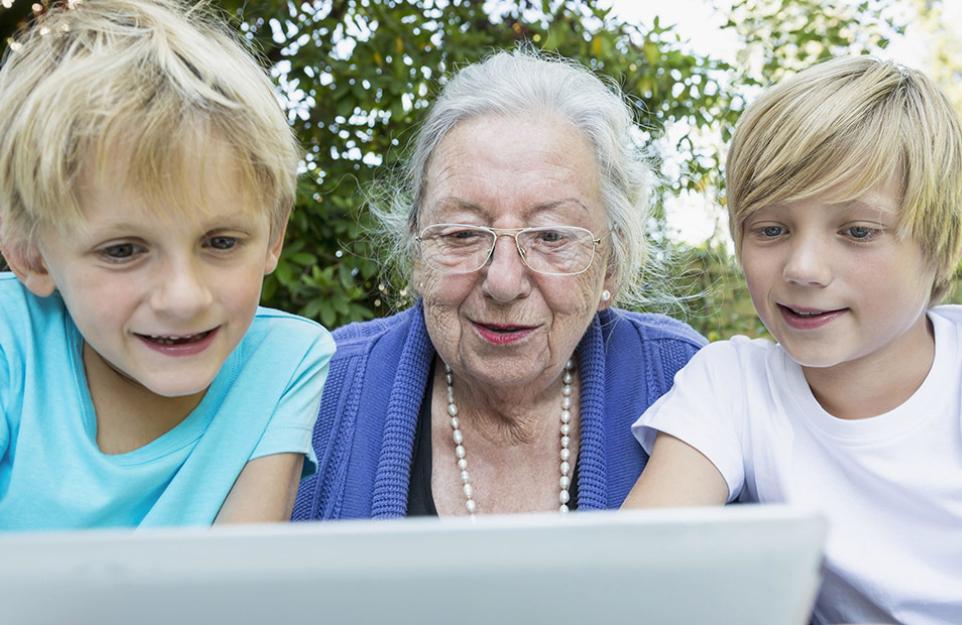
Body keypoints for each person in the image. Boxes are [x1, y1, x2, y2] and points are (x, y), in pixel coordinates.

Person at [624, 56, 962, 624]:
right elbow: (630, 581)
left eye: (858, 232)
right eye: (771, 229)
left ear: (948, 241)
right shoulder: (730, 386)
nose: (803, 268)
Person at [0, 0, 334, 622]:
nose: (184, 296)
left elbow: (232, 602)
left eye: (221, 242)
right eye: (122, 250)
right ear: (27, 253)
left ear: (272, 236)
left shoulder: (286, 362)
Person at [292, 49, 706, 520]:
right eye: (462, 234)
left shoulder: (684, 384)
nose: (504, 282)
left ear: (610, 264)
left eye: (552, 236)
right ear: (416, 253)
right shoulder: (317, 394)